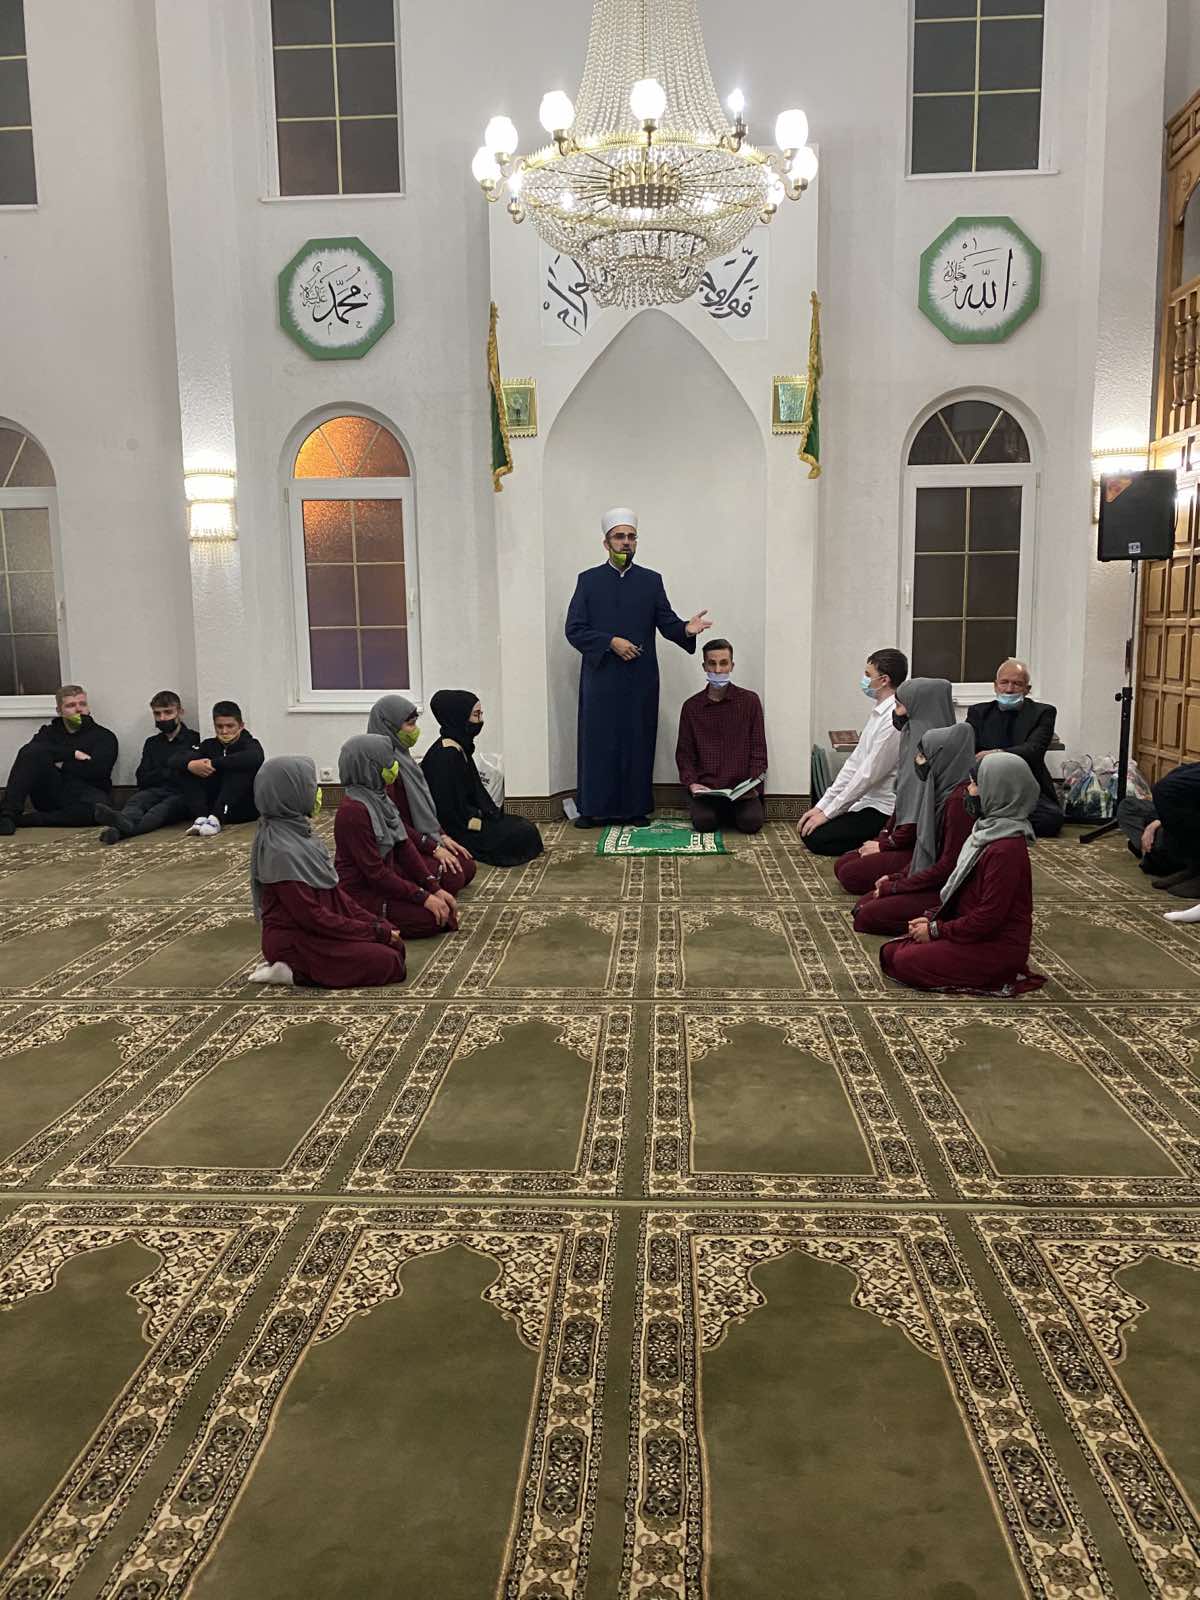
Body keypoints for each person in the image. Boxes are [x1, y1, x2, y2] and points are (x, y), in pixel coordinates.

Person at [565, 507, 712, 827]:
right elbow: (574, 629)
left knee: (637, 740)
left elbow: (667, 623)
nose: (626, 542)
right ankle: (592, 808)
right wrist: (610, 642)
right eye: (619, 537)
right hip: (601, 677)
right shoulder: (588, 581)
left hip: (640, 678)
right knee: (598, 742)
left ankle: (635, 808)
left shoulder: (650, 581)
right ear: (606, 543)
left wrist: (687, 629)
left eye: (631, 537)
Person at [879, 752, 1045, 996]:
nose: (968, 790)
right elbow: (963, 894)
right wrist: (933, 919)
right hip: (971, 932)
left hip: (995, 946)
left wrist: (937, 930)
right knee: (891, 952)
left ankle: (998, 976)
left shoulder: (1005, 849)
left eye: (976, 784)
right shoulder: (985, 832)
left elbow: (988, 917)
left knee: (905, 960)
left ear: (998, 791)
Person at [249, 755, 405, 989]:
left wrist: (375, 923)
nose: (316, 791)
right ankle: (291, 970)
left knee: (395, 947)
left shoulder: (302, 835)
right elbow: (311, 916)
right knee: (387, 962)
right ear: (290, 792)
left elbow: (335, 895)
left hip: (316, 926)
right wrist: (373, 932)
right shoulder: (280, 851)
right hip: (295, 938)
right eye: (310, 785)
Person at [834, 676, 956, 892]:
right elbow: (903, 806)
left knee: (850, 873)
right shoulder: (911, 737)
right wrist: (883, 839)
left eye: (899, 706)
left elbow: (917, 822)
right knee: (844, 863)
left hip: (925, 848)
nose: (895, 713)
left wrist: (884, 845)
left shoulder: (932, 748)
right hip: (904, 838)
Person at [852, 723, 976, 936]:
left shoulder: (958, 803)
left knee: (867, 915)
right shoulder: (939, 789)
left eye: (923, 755)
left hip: (949, 891)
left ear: (942, 757)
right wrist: (896, 878)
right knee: (863, 904)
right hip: (931, 880)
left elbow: (948, 867)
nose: (918, 760)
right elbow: (923, 848)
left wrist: (898, 886)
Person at [334, 734, 460, 937]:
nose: (393, 766)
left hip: (385, 881)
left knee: (443, 905)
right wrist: (423, 897)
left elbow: (404, 846)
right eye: (387, 762)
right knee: (431, 919)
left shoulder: (380, 798)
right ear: (370, 767)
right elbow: (375, 873)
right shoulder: (353, 811)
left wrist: (433, 888)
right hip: (362, 892)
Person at [797, 649, 908, 855]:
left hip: (882, 808)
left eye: (868, 674)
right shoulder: (879, 712)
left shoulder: (893, 719)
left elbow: (868, 775)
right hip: (865, 800)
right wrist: (821, 807)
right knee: (808, 827)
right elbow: (854, 765)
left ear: (884, 680)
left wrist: (829, 814)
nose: (864, 680)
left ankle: (882, 844)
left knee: (816, 838)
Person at [366, 694, 477, 896]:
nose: (415, 730)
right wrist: (432, 848)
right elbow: (394, 824)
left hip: (419, 837)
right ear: (389, 727)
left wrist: (441, 835)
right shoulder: (384, 768)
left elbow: (423, 808)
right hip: (397, 844)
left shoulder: (405, 759)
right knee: (453, 876)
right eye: (410, 724)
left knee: (467, 866)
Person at [421, 691, 544, 866]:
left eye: (481, 714)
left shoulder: (459, 746)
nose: (480, 721)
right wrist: (480, 819)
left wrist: (488, 813)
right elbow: (449, 811)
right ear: (458, 717)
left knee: (523, 826)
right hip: (459, 828)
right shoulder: (446, 756)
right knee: (520, 835)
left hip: (470, 817)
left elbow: (474, 793)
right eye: (476, 715)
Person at [675, 638, 768, 835]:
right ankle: (717, 813)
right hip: (707, 791)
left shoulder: (750, 701)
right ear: (704, 666)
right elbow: (684, 754)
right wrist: (692, 783)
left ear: (732, 666)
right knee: (704, 823)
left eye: (723, 663)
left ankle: (731, 813)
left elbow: (759, 749)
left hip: (741, 791)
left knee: (751, 823)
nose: (718, 670)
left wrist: (753, 784)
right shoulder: (691, 707)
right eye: (712, 663)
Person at [0, 683, 118, 834]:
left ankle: (26, 820)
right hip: (51, 790)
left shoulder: (104, 736)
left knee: (99, 811)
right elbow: (31, 754)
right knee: (31, 752)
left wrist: (61, 763)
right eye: (71, 705)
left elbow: (98, 771)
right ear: (59, 711)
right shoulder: (48, 733)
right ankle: (8, 814)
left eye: (82, 704)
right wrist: (72, 754)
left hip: (85, 793)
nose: (78, 709)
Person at [966, 659, 1064, 837]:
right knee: (960, 810)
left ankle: (996, 821)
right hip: (988, 786)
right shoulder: (979, 713)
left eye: (1017, 684)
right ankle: (1009, 822)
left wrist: (996, 754)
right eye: (1004, 682)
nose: (1009, 689)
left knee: (1051, 820)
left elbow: (1034, 750)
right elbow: (968, 751)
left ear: (1027, 689)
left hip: (1027, 786)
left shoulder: (1043, 712)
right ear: (995, 686)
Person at [95, 691, 202, 844]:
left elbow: (186, 777)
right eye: (157, 714)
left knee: (160, 811)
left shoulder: (194, 739)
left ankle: (119, 830)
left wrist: (163, 773)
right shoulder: (152, 743)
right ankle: (120, 827)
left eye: (168, 712)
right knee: (136, 801)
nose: (162, 718)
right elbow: (142, 777)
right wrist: (171, 771)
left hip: (180, 794)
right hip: (154, 790)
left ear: (180, 712)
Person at [172, 700, 264, 836]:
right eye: (219, 726)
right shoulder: (209, 745)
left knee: (239, 767)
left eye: (230, 726)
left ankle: (216, 818)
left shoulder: (250, 744)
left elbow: (255, 757)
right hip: (210, 806)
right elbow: (175, 759)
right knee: (188, 769)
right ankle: (201, 818)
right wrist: (191, 765)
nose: (224, 731)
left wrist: (214, 763)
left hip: (242, 809)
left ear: (241, 726)